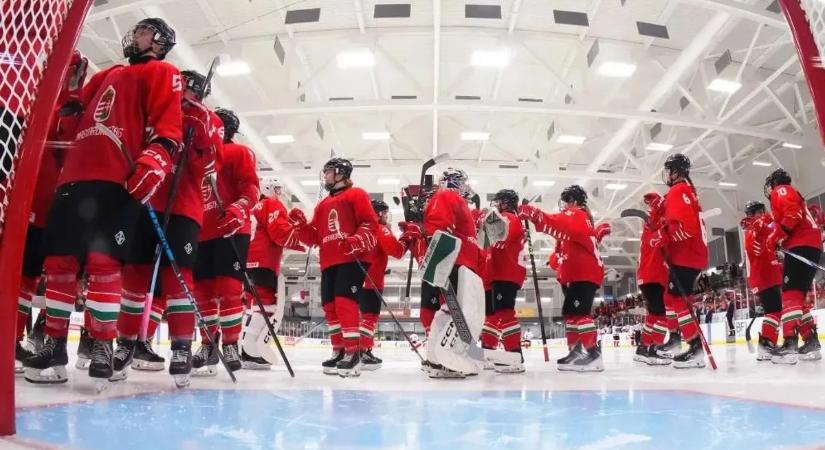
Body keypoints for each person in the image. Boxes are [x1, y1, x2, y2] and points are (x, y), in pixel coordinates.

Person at [24, 18, 182, 384]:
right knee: (59, 262)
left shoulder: (162, 71)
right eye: (137, 29)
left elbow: (167, 125)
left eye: (144, 31)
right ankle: (54, 342)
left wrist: (155, 159)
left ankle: (102, 344)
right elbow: (71, 120)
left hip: (115, 178)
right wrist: (69, 90)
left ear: (160, 42)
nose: (136, 35)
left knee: (103, 262)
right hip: (74, 176)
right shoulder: (108, 73)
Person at [110, 70, 223, 386]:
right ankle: (127, 344)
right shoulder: (157, 107)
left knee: (178, 279)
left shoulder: (209, 119)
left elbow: (211, 169)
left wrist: (201, 136)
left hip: (184, 209)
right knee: (134, 276)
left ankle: (182, 347)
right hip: (145, 201)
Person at [15, 51, 88, 373]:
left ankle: (49, 336)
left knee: (63, 274)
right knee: (23, 275)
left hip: (59, 204)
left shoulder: (74, 106)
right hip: (32, 203)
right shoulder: (28, 102)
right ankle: (16, 337)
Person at [289, 158, 379, 377]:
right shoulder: (322, 204)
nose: (326, 176)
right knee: (330, 306)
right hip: (329, 260)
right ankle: (339, 350)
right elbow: (314, 238)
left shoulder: (356, 194)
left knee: (344, 303)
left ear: (340, 173)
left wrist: (356, 240)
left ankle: (353, 351)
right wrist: (301, 226)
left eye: (329, 172)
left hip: (351, 258)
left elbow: (369, 223)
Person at [191, 107, 260, 375]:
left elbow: (251, 188)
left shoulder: (238, 152)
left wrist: (240, 208)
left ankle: (230, 344)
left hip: (231, 231)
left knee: (230, 289)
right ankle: (208, 345)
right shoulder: (200, 157)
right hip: (201, 233)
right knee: (203, 294)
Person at [519, 185, 605, 372]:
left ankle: (593, 354)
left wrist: (535, 214)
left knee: (580, 313)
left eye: (566, 201)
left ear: (573, 201)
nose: (564, 206)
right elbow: (556, 257)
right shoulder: (581, 220)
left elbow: (558, 223)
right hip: (576, 275)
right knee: (572, 314)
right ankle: (575, 351)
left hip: (583, 274)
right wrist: (557, 259)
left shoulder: (578, 215)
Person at [647, 153, 709, 369]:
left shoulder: (679, 190)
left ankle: (695, 346)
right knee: (671, 297)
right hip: (689, 255)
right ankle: (677, 339)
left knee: (678, 300)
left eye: (668, 170)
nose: (666, 174)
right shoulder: (685, 191)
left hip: (687, 256)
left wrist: (662, 236)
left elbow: (686, 227)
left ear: (675, 172)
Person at [420, 168, 483, 378]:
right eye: (463, 183)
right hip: (456, 262)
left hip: (459, 262)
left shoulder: (458, 203)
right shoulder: (446, 195)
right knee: (459, 312)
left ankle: (435, 360)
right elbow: (438, 225)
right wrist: (442, 261)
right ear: (454, 183)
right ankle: (448, 358)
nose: (466, 187)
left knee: (447, 310)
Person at [240, 178, 304, 370]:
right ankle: (252, 352)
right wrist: (300, 235)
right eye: (277, 188)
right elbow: (278, 232)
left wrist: (290, 222)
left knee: (252, 306)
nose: (279, 192)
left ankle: (245, 350)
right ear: (267, 189)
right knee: (266, 305)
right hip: (264, 262)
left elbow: (268, 228)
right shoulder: (271, 203)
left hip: (248, 263)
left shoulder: (255, 207)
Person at [764, 168, 823, 363]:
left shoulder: (781, 190)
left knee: (790, 295)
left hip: (802, 245)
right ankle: (811, 342)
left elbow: (792, 214)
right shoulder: (790, 191)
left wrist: (776, 237)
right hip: (809, 245)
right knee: (797, 296)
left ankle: (789, 343)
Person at [358, 200, 422, 370]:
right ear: (378, 214)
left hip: (359, 281)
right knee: (369, 318)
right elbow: (397, 251)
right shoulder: (379, 228)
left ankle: (357, 350)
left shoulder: (362, 229)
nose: (387, 217)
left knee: (364, 318)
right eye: (385, 213)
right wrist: (407, 236)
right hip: (371, 282)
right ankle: (362, 352)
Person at [480, 189, 527, 373]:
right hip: (496, 274)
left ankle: (515, 355)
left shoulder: (509, 217)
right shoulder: (506, 217)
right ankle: (488, 352)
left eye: (498, 201)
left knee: (505, 312)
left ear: (505, 203)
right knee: (492, 315)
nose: (496, 204)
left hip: (506, 273)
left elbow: (502, 237)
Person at [633, 192, 672, 365]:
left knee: (653, 315)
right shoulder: (654, 229)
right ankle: (654, 350)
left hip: (645, 278)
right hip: (653, 277)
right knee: (662, 315)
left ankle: (643, 348)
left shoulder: (647, 231)